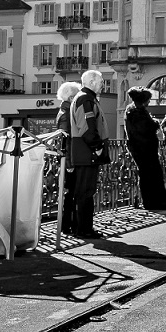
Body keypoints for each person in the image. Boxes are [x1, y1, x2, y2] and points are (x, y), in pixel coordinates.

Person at [67, 69, 110, 238]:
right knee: (85, 192)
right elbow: (87, 126)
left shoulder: (85, 98)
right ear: (92, 83)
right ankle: (84, 229)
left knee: (84, 192)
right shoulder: (86, 99)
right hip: (87, 153)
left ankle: (83, 228)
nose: (102, 85)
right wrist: (97, 146)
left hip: (84, 152)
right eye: (100, 82)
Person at [125, 87, 166, 211]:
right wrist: (155, 124)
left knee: (152, 175)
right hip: (143, 149)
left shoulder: (134, 110)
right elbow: (145, 128)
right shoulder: (136, 112)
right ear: (143, 100)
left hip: (143, 148)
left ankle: (159, 201)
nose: (149, 102)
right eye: (148, 100)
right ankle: (155, 202)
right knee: (151, 175)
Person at [55, 80, 83, 233]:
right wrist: (70, 163)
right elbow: (66, 140)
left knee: (70, 193)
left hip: (68, 158)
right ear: (71, 98)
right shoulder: (66, 114)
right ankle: (68, 225)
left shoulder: (64, 111)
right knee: (71, 193)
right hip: (70, 159)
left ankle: (69, 224)